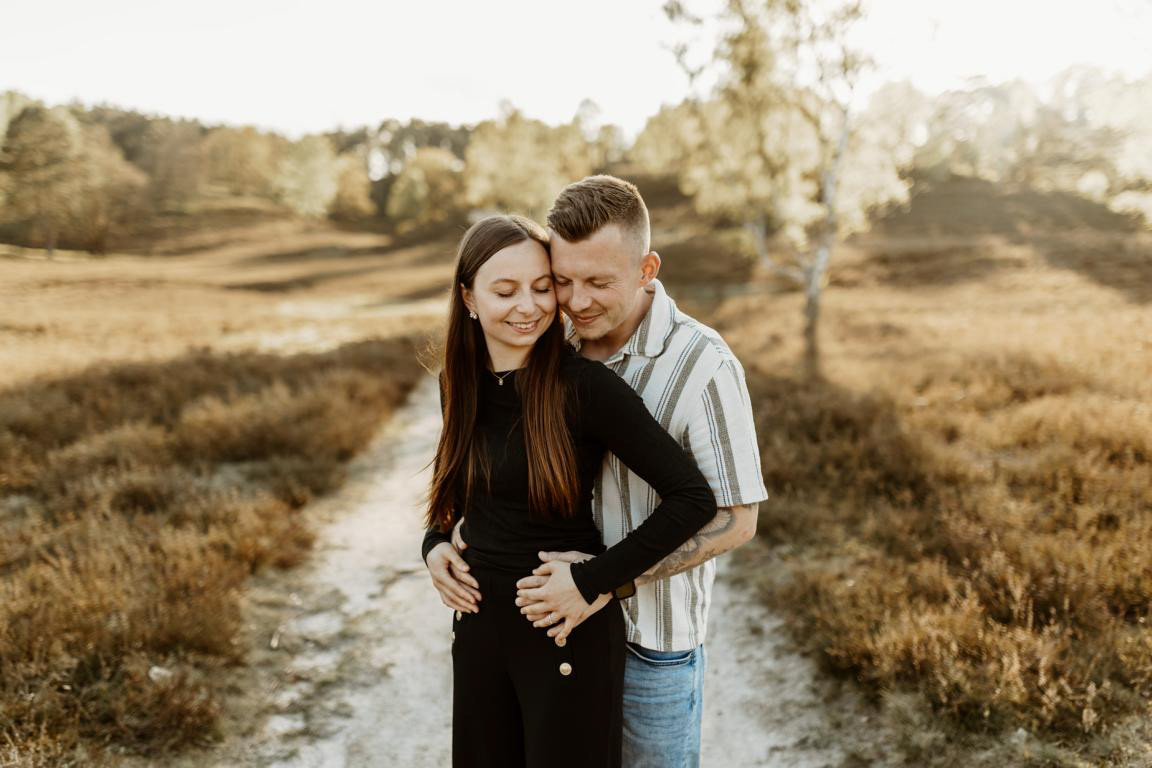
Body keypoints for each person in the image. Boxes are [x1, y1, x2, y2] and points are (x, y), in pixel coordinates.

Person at [428, 176, 769, 768]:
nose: (575, 301)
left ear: (646, 269)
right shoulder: (544, 342)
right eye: (564, 280)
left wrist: (604, 582)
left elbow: (736, 519)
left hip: (653, 641)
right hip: (545, 626)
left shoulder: (703, 365)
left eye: (599, 282)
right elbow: (476, 480)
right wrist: (438, 540)